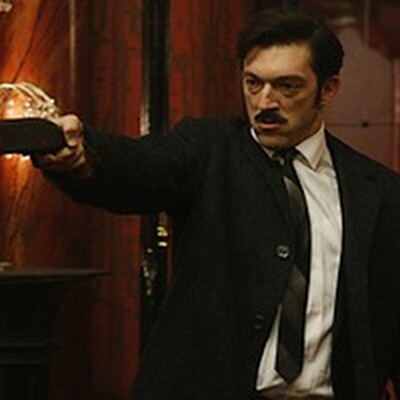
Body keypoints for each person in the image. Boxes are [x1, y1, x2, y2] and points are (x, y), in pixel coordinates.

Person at [34, 8, 400, 400]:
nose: (265, 102)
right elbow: (140, 167)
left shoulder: (376, 191)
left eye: (287, 86)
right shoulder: (208, 150)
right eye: (253, 83)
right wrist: (84, 156)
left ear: (327, 90)